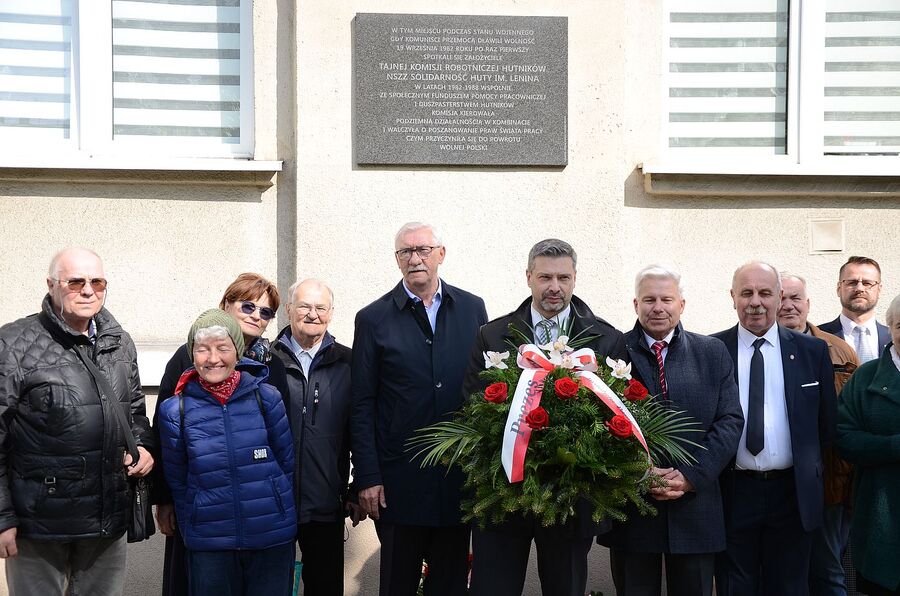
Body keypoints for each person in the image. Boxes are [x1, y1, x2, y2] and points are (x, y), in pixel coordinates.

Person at [463, 238, 627, 596]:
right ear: (528, 277)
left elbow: (613, 418)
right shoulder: (493, 335)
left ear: (574, 278)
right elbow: (473, 409)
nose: (555, 287)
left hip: (571, 496)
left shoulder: (605, 338)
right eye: (545, 277)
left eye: (563, 278)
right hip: (502, 492)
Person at [0, 247, 154, 596]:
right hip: (38, 523)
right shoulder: (12, 343)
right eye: (75, 282)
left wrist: (142, 446)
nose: (88, 290)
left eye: (97, 282)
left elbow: (134, 414)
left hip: (105, 518)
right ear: (52, 285)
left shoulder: (119, 342)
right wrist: (3, 518)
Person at [350, 222, 487, 596]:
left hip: (457, 479)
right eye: (405, 252)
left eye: (423, 250)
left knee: (451, 584)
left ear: (441, 254)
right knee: (397, 583)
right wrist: (367, 475)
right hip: (399, 482)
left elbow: (487, 389)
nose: (415, 259)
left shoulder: (473, 309)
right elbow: (361, 402)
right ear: (397, 261)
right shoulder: (373, 318)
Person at [599, 265, 743, 596]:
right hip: (634, 508)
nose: (658, 307)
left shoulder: (712, 352)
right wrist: (641, 472)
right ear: (636, 305)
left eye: (667, 299)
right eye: (649, 299)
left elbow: (730, 420)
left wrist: (693, 474)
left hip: (696, 507)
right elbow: (599, 425)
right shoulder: (612, 354)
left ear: (682, 304)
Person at [153, 272, 290, 596]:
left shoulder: (273, 368)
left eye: (266, 312)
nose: (256, 315)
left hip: (260, 518)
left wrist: (278, 501)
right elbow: (167, 439)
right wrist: (165, 499)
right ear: (226, 305)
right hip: (208, 518)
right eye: (247, 306)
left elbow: (284, 450)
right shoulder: (190, 358)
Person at [712, 262, 837, 596]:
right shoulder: (711, 350)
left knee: (790, 587)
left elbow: (826, 427)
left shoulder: (812, 351)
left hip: (792, 494)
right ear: (733, 297)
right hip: (733, 491)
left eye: (765, 293)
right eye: (747, 293)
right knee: (735, 587)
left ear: (779, 297)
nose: (756, 301)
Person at [271, 278, 363, 596]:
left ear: (331, 313)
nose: (313, 314)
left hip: (325, 502)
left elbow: (360, 430)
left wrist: (358, 485)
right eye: (305, 306)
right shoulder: (265, 362)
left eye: (320, 307)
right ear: (288, 309)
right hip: (271, 502)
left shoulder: (349, 363)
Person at [778, 272, 859, 596]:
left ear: (808, 304)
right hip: (776, 484)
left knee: (827, 572)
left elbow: (850, 419)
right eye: (781, 297)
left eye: (795, 298)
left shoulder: (839, 351)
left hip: (828, 484)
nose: (788, 305)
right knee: (782, 573)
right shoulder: (757, 352)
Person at [836, 293, 900, 595]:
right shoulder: (866, 377)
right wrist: (892, 446)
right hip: (880, 513)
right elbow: (843, 437)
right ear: (890, 329)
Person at [819, 256, 890, 364]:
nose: (859, 289)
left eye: (867, 283)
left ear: (879, 290)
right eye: (852, 282)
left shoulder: (894, 338)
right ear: (839, 289)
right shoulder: (818, 337)